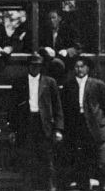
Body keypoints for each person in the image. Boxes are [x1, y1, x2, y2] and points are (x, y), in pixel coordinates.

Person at [10, 54, 63, 191]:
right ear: (28, 66)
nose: (35, 68)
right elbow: (13, 108)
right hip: (27, 123)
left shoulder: (50, 82)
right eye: (33, 65)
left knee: (47, 160)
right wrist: (12, 130)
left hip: (44, 124)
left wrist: (58, 129)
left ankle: (50, 188)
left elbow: (57, 107)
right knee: (27, 159)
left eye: (38, 65)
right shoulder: (19, 82)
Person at [61, 57, 105, 191]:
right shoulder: (69, 85)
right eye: (77, 67)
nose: (79, 69)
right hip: (78, 126)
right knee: (81, 161)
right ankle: (84, 187)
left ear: (87, 68)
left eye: (82, 66)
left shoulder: (97, 84)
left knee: (103, 161)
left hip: (96, 126)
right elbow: (65, 107)